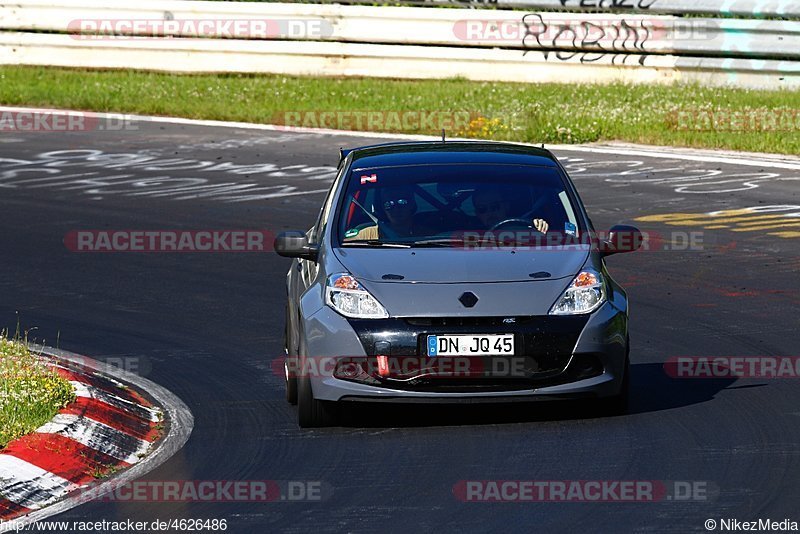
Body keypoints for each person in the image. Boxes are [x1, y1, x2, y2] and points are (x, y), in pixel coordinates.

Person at [344, 185, 420, 241]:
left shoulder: (427, 233)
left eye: (402, 202)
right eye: (389, 204)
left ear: (411, 204)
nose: (396, 209)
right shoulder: (367, 235)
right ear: (382, 208)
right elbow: (342, 250)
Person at [472, 186, 549, 234]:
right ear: (477, 213)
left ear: (506, 206)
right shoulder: (466, 235)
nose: (490, 212)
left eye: (495, 206)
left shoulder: (525, 228)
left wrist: (539, 225)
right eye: (482, 209)